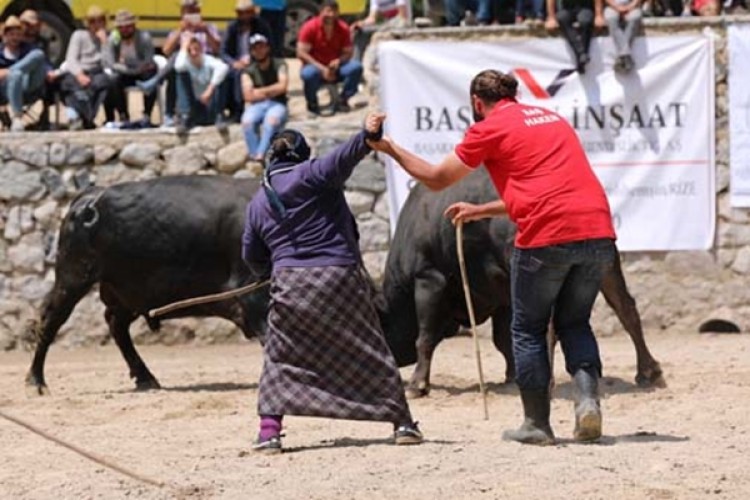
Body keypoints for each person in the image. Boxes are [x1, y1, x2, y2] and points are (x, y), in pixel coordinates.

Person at [368, 69, 616, 445]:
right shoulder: (553, 119)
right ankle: (586, 403)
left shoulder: (488, 127)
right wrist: (482, 210)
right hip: (598, 230)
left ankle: (536, 424)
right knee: (575, 323)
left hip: (547, 237)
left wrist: (389, 149)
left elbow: (436, 178)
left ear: (476, 103)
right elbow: (544, 192)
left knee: (528, 328)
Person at [241, 114, 424, 454]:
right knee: (370, 347)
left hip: (289, 285)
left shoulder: (257, 203)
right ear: (302, 155)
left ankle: (269, 432)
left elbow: (251, 254)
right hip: (339, 277)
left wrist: (268, 272)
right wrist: (366, 134)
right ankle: (402, 424)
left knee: (280, 356)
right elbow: (344, 157)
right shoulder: (312, 176)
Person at [139, 0, 222, 127]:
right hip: (185, 66)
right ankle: (169, 114)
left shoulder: (209, 28)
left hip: (204, 64)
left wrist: (205, 31)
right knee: (175, 64)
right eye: (187, 11)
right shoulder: (179, 31)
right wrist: (180, 32)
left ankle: (155, 81)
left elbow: (217, 49)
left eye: (193, 10)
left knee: (177, 58)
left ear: (199, 12)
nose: (191, 13)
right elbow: (166, 50)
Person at [297, 0, 363, 116]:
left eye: (334, 12)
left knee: (356, 67)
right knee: (308, 74)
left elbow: (348, 52)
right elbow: (301, 53)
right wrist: (323, 69)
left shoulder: (343, 28)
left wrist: (339, 61)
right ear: (321, 12)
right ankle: (312, 104)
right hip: (315, 66)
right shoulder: (310, 27)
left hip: (336, 66)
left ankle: (343, 100)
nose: (331, 15)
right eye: (328, 11)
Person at [59, 5, 113, 129]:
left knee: (104, 83)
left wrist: (105, 44)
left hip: (96, 73)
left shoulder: (108, 39)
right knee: (68, 86)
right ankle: (76, 117)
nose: (97, 25)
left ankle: (86, 118)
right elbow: (71, 59)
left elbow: (109, 64)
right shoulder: (79, 35)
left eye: (100, 21)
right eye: (93, 22)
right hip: (78, 72)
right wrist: (79, 75)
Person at [220, 0, 273, 121]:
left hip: (257, 61)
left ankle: (239, 111)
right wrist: (234, 62)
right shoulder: (232, 27)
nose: (244, 16)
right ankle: (226, 110)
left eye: (247, 12)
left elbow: (270, 47)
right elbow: (223, 52)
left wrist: (254, 59)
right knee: (226, 74)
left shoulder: (261, 26)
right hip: (236, 62)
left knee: (242, 74)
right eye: (241, 13)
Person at [103, 9, 157, 124]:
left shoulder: (144, 37)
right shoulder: (114, 39)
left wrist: (133, 68)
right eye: (121, 27)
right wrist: (128, 69)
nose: (124, 30)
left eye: (127, 27)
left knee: (152, 73)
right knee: (112, 79)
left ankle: (147, 114)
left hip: (141, 72)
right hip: (124, 73)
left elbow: (148, 60)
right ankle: (123, 114)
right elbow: (110, 62)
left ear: (133, 26)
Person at [241, 34, 289, 161]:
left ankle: (261, 154)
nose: (259, 51)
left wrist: (259, 91)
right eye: (255, 48)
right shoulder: (248, 70)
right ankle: (254, 154)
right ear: (252, 51)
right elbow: (248, 96)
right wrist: (272, 90)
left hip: (277, 103)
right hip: (257, 105)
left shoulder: (279, 64)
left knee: (271, 122)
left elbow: (283, 86)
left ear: (267, 48)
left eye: (262, 47)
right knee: (247, 122)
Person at [0, 15, 48, 131]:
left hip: (28, 87)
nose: (15, 38)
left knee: (38, 55)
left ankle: (12, 71)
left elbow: (38, 57)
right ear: (5, 35)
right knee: (16, 75)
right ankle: (17, 118)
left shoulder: (27, 49)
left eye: (18, 34)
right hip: (5, 90)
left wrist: (8, 71)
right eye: (12, 34)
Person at [174, 35, 229, 135]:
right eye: (189, 51)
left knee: (221, 77)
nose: (194, 53)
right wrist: (183, 47)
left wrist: (210, 89)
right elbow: (178, 66)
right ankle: (184, 117)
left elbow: (223, 67)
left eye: (196, 49)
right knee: (181, 75)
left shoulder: (208, 60)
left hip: (211, 104)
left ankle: (219, 115)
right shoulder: (185, 62)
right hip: (194, 107)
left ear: (201, 49)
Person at [546, 0, 606, 73]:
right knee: (562, 17)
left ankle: (581, 57)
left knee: (585, 21)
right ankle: (582, 53)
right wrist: (551, 17)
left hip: (585, 7)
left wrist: (599, 15)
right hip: (567, 8)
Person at [603, 0, 642, 73]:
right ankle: (626, 55)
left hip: (632, 6)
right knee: (611, 18)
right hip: (612, 6)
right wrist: (617, 7)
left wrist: (630, 7)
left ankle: (621, 57)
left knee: (635, 17)